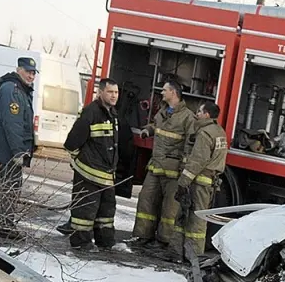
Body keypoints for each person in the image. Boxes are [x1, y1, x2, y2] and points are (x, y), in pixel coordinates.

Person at [129, 80, 194, 251]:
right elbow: (157, 125)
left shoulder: (188, 117)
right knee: (146, 199)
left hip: (173, 172)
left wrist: (184, 171)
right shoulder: (164, 111)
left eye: (165, 90)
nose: (162, 93)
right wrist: (148, 130)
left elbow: (190, 146)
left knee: (170, 208)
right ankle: (143, 236)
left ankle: (164, 241)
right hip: (155, 166)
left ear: (173, 93)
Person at [63, 78, 120, 250]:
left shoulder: (112, 113)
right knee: (85, 212)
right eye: (110, 92)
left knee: (106, 212)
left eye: (116, 92)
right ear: (100, 92)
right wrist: (79, 161)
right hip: (89, 174)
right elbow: (72, 142)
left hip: (106, 175)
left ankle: (105, 241)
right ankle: (81, 243)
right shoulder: (90, 112)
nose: (114, 96)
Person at [0, 57, 38, 237]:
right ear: (18, 70)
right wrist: (18, 151)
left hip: (13, 149)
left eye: (33, 73)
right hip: (11, 150)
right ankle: (4, 225)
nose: (31, 76)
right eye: (28, 71)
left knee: (6, 184)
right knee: (10, 186)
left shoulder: (20, 90)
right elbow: (13, 123)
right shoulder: (13, 90)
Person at [174, 100, 227, 261]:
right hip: (210, 181)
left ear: (207, 115)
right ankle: (190, 254)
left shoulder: (204, 134)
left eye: (199, 112)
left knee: (190, 217)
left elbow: (197, 160)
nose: (196, 114)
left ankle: (187, 254)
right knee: (199, 217)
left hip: (199, 182)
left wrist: (183, 182)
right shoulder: (220, 132)